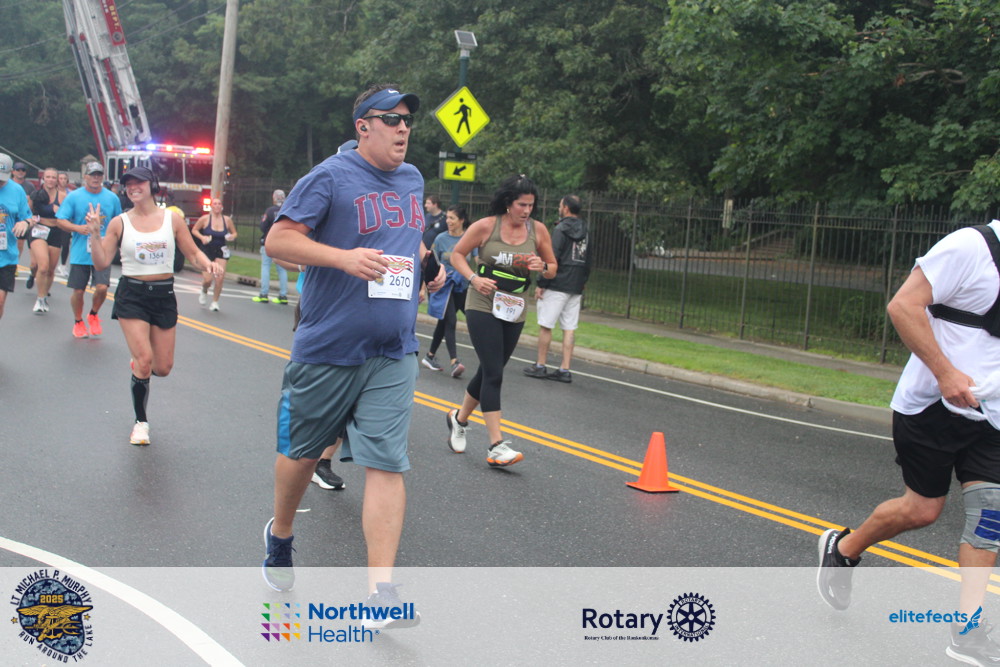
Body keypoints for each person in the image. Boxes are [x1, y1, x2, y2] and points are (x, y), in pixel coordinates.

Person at [261, 83, 441, 617]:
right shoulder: (330, 177)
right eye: (391, 119)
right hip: (328, 346)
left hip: (393, 348)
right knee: (301, 455)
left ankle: (381, 590)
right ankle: (281, 533)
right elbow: (278, 240)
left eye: (407, 119)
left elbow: (403, 236)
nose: (403, 128)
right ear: (363, 126)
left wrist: (425, 266)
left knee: (386, 463)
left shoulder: (412, 179)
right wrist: (343, 258)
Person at [816, 220, 1000, 664]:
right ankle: (843, 551)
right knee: (922, 510)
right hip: (933, 406)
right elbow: (903, 306)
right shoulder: (971, 247)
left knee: (991, 516)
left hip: (991, 415)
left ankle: (968, 633)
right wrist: (945, 373)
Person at [86, 166, 222, 445]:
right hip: (132, 295)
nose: (133, 187)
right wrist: (94, 234)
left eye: (139, 182)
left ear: (152, 185)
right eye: (128, 184)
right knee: (145, 362)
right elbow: (101, 262)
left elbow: (192, 252)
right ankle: (140, 423)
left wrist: (207, 263)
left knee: (163, 367)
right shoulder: (119, 223)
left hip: (163, 295)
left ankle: (140, 362)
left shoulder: (172, 219)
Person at [444, 175, 557, 466]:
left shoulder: (538, 230)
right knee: (494, 372)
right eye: (522, 205)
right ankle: (496, 445)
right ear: (508, 202)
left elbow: (553, 268)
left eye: (531, 205)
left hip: (515, 305)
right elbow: (457, 255)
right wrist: (473, 278)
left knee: (489, 369)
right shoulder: (486, 226)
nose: (527, 210)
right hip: (482, 302)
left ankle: (459, 419)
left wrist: (542, 265)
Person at [524, 194, 591, 383]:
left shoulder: (560, 229)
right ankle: (565, 368)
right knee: (569, 327)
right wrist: (583, 281)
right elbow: (588, 259)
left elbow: (551, 257)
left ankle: (540, 365)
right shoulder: (585, 230)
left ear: (566, 208)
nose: (559, 208)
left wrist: (542, 283)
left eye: (561, 205)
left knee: (546, 325)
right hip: (575, 284)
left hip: (557, 282)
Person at [55, 162, 122, 339]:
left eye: (99, 175)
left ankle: (93, 314)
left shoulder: (112, 198)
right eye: (92, 175)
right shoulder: (74, 197)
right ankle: (78, 321)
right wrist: (77, 228)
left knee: (102, 288)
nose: (96, 178)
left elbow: (119, 222)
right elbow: (60, 220)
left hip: (103, 251)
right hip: (81, 251)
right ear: (85, 176)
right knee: (78, 291)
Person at [421, 204, 470, 378]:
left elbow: (478, 260)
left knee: (444, 323)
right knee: (450, 320)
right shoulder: (441, 238)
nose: (448, 221)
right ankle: (454, 362)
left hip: (461, 286)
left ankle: (429, 356)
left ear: (461, 220)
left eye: (452, 218)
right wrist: (423, 288)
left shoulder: (468, 238)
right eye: (447, 217)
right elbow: (430, 264)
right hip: (443, 286)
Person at [27, 168, 67, 314]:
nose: (50, 180)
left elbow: (68, 215)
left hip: (56, 232)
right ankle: (40, 298)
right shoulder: (36, 195)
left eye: (53, 177)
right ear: (43, 178)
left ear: (57, 180)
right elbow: (27, 212)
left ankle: (44, 296)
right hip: (39, 230)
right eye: (48, 177)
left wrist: (60, 211)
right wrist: (31, 219)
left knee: (50, 270)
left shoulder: (62, 196)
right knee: (42, 266)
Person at [0, 154, 35, 321]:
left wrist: (25, 223)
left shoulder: (17, 190)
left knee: (0, 301)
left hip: (6, 256)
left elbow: (29, 218)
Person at [192, 198, 237, 311]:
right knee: (208, 279)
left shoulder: (227, 220)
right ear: (211, 206)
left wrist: (232, 236)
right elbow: (194, 230)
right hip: (207, 250)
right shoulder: (205, 219)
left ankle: (215, 302)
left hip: (221, 250)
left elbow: (234, 233)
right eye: (215, 204)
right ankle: (204, 290)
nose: (217, 206)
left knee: (219, 278)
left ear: (222, 206)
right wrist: (202, 237)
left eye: (219, 204)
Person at [253, 189, 289, 304]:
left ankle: (264, 294)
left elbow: (263, 226)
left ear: (274, 198)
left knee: (266, 266)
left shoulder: (270, 211)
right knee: (282, 269)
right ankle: (283, 295)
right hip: (282, 243)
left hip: (269, 242)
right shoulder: (288, 210)